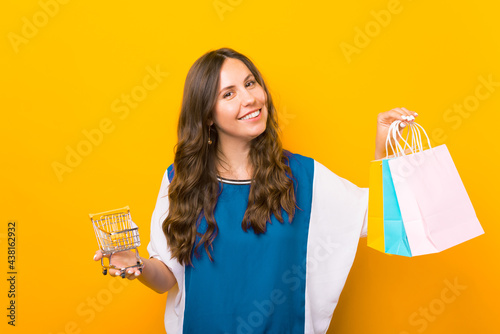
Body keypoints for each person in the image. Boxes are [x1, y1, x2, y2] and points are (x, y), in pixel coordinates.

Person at [93, 47, 418, 333]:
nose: (249, 98)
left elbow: (380, 218)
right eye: (228, 93)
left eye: (250, 83)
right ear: (207, 115)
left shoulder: (303, 176)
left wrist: (385, 147)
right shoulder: (181, 180)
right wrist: (135, 265)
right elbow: (167, 275)